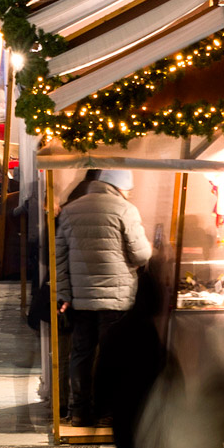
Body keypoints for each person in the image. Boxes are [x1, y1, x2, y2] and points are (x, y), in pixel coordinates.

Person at [54, 165, 153, 427]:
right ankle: (108, 411)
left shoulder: (71, 210)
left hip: (79, 299)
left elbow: (59, 259)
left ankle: (79, 412)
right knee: (112, 354)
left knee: (81, 353)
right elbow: (141, 255)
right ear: (120, 187)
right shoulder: (125, 210)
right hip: (117, 298)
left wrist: (63, 294)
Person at [92, 264, 167, 448]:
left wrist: (98, 409)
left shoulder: (115, 332)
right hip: (148, 413)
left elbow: (102, 375)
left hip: (123, 414)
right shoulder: (153, 334)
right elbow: (160, 372)